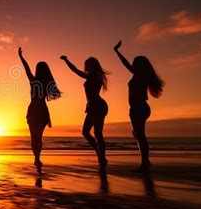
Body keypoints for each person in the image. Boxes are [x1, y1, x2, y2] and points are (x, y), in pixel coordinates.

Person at [114, 40, 164, 172]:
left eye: (135, 63)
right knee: (138, 134)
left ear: (140, 66)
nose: (132, 64)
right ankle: (145, 161)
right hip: (138, 108)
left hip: (139, 108)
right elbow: (127, 64)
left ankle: (145, 163)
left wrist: (117, 51)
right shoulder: (140, 75)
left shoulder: (141, 75)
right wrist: (117, 51)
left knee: (140, 135)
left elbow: (127, 65)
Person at [60, 55, 109, 172]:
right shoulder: (92, 76)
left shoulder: (95, 76)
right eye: (88, 66)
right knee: (86, 132)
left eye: (91, 65)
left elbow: (77, 72)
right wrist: (67, 61)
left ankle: (102, 159)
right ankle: (100, 155)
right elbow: (78, 71)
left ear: (95, 66)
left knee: (97, 134)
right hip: (93, 106)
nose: (88, 68)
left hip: (98, 106)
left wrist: (67, 60)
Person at [19, 47, 61, 174]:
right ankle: (37, 158)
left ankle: (37, 158)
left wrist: (21, 57)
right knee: (39, 138)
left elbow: (26, 69)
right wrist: (48, 117)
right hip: (43, 111)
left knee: (34, 137)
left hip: (33, 111)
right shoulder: (47, 84)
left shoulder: (34, 81)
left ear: (37, 70)